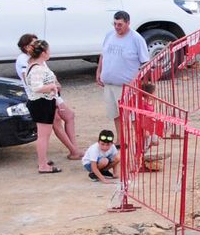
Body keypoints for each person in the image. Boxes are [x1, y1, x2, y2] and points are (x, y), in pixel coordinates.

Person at [23, 39, 82, 173]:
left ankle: (43, 161)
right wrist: (52, 86)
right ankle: (43, 165)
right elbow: (36, 87)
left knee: (44, 135)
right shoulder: (37, 68)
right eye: (48, 50)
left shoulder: (37, 64)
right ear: (43, 52)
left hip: (45, 102)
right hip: (41, 103)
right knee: (43, 136)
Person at [96, 11, 149, 147]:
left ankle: (141, 140)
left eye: (120, 24)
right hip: (109, 84)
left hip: (126, 86)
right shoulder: (109, 35)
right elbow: (103, 55)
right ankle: (121, 140)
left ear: (128, 23)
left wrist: (137, 82)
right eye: (115, 24)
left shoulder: (136, 39)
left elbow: (145, 63)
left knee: (132, 116)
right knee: (115, 114)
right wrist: (99, 71)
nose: (117, 27)